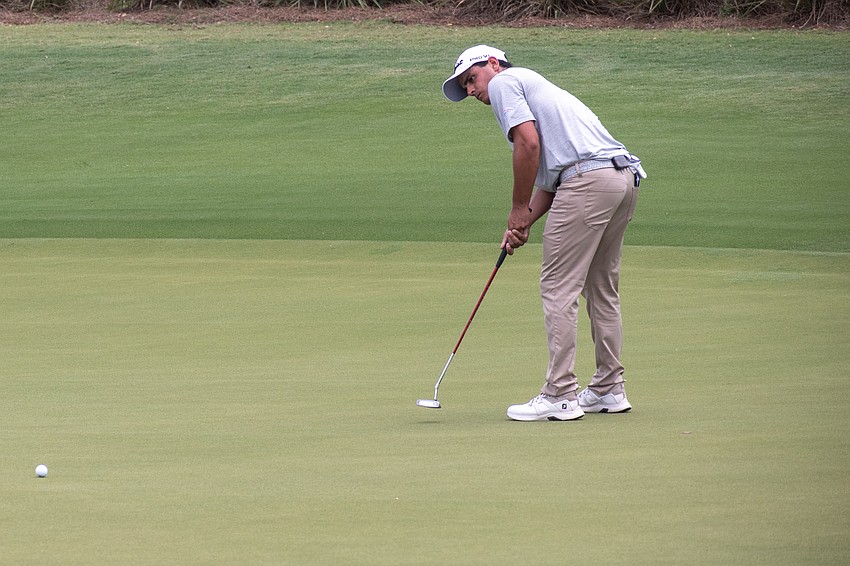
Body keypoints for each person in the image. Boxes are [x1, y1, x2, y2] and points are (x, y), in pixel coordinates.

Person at [442, 45, 646, 422]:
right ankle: (607, 389)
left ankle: (560, 394)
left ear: (492, 64)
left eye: (471, 79)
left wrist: (518, 209)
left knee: (558, 286)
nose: (471, 90)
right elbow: (551, 183)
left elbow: (528, 144)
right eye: (465, 87)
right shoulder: (535, 87)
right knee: (601, 286)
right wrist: (522, 224)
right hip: (619, 179)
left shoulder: (505, 82)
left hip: (587, 181)